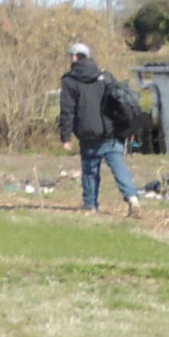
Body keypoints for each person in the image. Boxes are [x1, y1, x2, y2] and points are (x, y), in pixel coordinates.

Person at [60, 41, 142, 216]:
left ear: (75, 57)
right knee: (119, 166)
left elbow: (67, 111)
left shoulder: (69, 81)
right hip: (112, 131)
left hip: (88, 132)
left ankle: (90, 204)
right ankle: (132, 198)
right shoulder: (105, 75)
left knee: (90, 169)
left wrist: (66, 137)